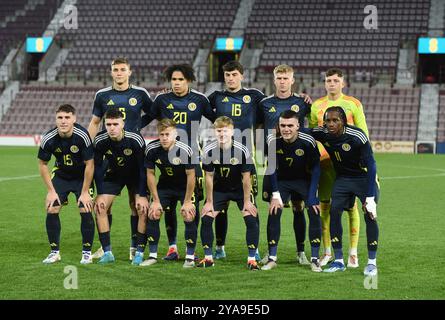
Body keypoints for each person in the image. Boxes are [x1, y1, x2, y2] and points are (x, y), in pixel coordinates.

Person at [143, 64, 215, 261]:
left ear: (189, 80)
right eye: (173, 79)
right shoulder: (162, 99)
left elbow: (216, 118)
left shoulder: (199, 99)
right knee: (166, 208)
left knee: (191, 209)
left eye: (180, 79)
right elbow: (148, 117)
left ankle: (191, 252)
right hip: (167, 161)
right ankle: (172, 248)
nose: (176, 83)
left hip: (191, 159)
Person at [88, 57, 153, 261]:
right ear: (111, 72)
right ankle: (104, 248)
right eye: (115, 69)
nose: (119, 73)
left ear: (129, 72)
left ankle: (135, 247)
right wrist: (88, 146)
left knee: (136, 205)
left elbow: (153, 113)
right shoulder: (102, 95)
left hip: (134, 154)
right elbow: (95, 121)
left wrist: (135, 128)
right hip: (111, 158)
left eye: (122, 69)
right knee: (104, 204)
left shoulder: (140, 93)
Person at [309, 68, 369, 268]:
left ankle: (352, 253)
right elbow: (313, 135)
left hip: (349, 168)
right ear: (324, 83)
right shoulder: (317, 105)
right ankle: (327, 252)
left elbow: (363, 134)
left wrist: (367, 164)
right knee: (325, 207)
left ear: (343, 83)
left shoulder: (353, 104)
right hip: (326, 166)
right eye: (328, 80)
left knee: (351, 208)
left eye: (335, 80)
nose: (331, 83)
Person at [310, 107, 379, 276]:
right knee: (334, 212)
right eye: (328, 120)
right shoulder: (322, 132)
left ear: (344, 121)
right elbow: (303, 131)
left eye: (335, 120)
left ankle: (371, 263)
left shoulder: (357, 136)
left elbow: (371, 165)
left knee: (370, 214)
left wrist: (370, 196)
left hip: (363, 179)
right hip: (342, 179)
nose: (331, 124)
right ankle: (339, 260)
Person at [207, 60, 264, 260]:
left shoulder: (255, 96)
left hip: (245, 161)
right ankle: (220, 248)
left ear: (242, 75)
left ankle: (254, 250)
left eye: (234, 75)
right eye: (227, 75)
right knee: (219, 209)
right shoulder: (216, 97)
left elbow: (271, 109)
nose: (231, 78)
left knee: (250, 206)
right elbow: (198, 107)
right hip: (221, 158)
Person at [259, 64, 312, 265]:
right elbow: (256, 127)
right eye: (279, 78)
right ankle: (271, 253)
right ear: (274, 80)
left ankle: (301, 253)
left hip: (299, 164)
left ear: (292, 80)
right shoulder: (265, 103)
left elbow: (310, 126)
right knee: (274, 207)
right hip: (273, 162)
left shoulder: (302, 102)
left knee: (299, 207)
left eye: (286, 78)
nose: (282, 82)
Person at [261, 110, 322, 272]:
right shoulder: (273, 141)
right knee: (274, 210)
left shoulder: (308, 140)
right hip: (282, 181)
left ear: (298, 126)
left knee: (313, 210)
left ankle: (312, 257)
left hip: (304, 180)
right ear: (278, 126)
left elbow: (316, 168)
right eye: (283, 125)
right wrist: (275, 195)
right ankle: (272, 257)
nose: (286, 129)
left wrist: (312, 195)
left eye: (290, 126)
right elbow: (271, 168)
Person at [200, 116, 260, 270]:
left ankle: (252, 258)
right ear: (214, 132)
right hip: (220, 190)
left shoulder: (242, 150)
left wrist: (247, 201)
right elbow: (208, 177)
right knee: (206, 218)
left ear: (232, 131)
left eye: (225, 131)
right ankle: (208, 258)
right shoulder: (208, 150)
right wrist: (209, 201)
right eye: (219, 131)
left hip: (240, 190)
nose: (222, 134)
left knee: (251, 217)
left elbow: (246, 178)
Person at [38, 104, 95, 264]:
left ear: (74, 119)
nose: (63, 121)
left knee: (85, 208)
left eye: (67, 117)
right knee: (52, 207)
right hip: (62, 175)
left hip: (81, 177)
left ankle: (87, 252)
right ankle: (54, 252)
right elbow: (42, 164)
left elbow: (90, 164)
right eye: (60, 118)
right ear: (56, 119)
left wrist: (85, 192)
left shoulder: (82, 136)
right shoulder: (49, 138)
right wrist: (51, 191)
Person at [138, 119, 197, 268]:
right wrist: (156, 200)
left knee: (188, 214)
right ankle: (152, 256)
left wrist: (188, 200)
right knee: (153, 212)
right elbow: (150, 174)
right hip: (165, 186)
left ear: (175, 134)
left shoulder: (185, 149)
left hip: (185, 187)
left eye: (167, 134)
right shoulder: (152, 149)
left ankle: (190, 257)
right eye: (161, 134)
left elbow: (191, 176)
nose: (164, 138)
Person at [93, 109, 149, 264]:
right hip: (114, 174)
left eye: (115, 124)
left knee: (141, 208)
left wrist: (143, 195)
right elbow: (97, 167)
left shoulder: (135, 139)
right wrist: (100, 193)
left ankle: (138, 251)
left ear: (122, 124)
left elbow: (143, 168)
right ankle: (107, 252)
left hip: (136, 176)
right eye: (108, 124)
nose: (112, 128)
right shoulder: (100, 140)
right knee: (99, 207)